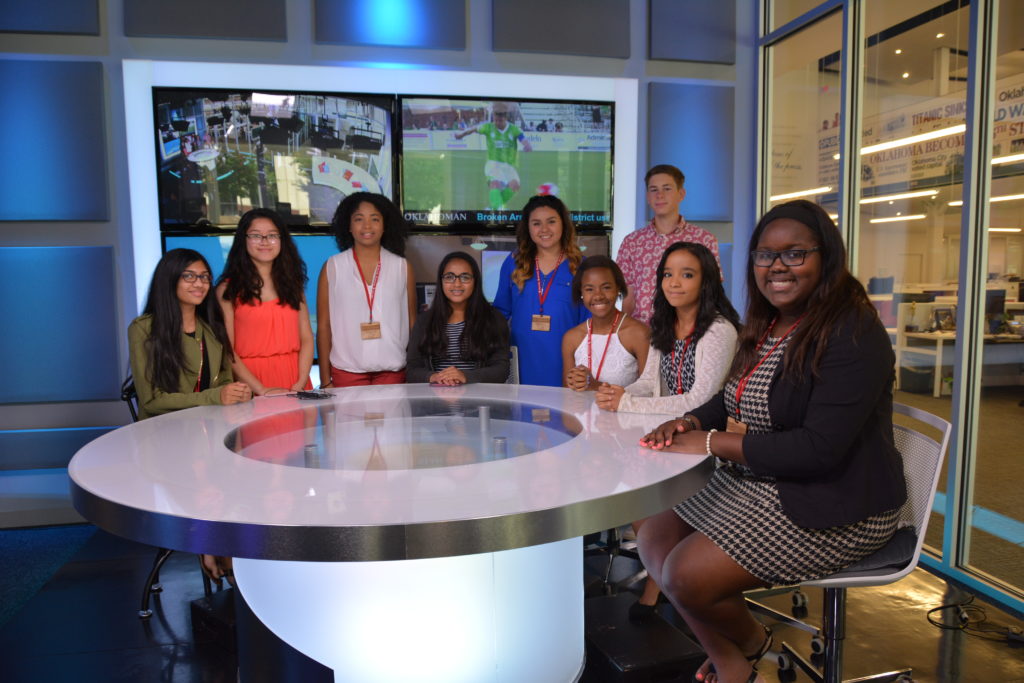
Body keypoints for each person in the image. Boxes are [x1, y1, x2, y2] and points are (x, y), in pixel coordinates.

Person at [636, 200, 906, 683]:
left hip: (833, 498)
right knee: (654, 535)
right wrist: (689, 419)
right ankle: (739, 656)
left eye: (794, 254)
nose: (777, 267)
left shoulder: (852, 332)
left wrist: (711, 441)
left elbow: (818, 450)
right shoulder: (767, 323)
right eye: (764, 255)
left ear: (826, 258)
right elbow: (732, 395)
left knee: (685, 575)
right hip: (764, 477)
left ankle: (741, 652)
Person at [593, 242, 739, 622]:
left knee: (641, 484)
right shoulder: (665, 322)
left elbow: (701, 401)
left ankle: (660, 584)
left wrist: (628, 405)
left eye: (686, 274)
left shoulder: (718, 330)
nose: (674, 283)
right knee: (628, 476)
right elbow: (651, 384)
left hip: (707, 441)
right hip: (669, 433)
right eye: (667, 274)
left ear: (705, 281)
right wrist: (620, 393)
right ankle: (662, 577)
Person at [128, 248, 252, 583]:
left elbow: (223, 382)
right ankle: (212, 547)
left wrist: (237, 392)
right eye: (190, 276)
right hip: (167, 442)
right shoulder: (144, 329)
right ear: (170, 279)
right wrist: (216, 396)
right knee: (219, 482)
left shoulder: (209, 328)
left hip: (208, 435)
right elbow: (151, 401)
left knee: (251, 474)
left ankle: (226, 555)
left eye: (204, 277)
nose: (200, 284)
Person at [317, 192, 416, 387]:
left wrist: (414, 372)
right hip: (347, 372)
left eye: (375, 219)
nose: (367, 226)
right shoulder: (333, 267)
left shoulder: (402, 267)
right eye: (359, 219)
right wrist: (324, 380)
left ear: (384, 225)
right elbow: (323, 326)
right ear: (349, 225)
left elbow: (412, 322)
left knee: (394, 418)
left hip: (393, 372)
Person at [216, 208, 313, 395]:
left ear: (282, 240)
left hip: (295, 380)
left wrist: (301, 381)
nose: (265, 242)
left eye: (272, 235)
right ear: (243, 240)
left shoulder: (293, 284)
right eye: (256, 236)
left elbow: (307, 339)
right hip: (251, 383)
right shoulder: (227, 290)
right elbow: (227, 351)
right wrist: (262, 390)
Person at [494, 195, 587, 387]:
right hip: (522, 360)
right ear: (528, 228)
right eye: (536, 223)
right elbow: (499, 314)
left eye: (551, 222)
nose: (544, 229)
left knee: (564, 414)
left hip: (567, 362)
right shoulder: (514, 262)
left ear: (563, 224)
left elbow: (589, 324)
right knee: (523, 414)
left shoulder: (581, 266)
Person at [617, 164, 721, 325]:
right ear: (647, 196)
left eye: (667, 189)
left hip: (687, 332)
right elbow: (628, 295)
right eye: (653, 190)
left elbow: (712, 291)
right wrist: (624, 335)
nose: (659, 195)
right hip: (643, 333)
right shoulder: (632, 242)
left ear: (681, 194)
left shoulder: (703, 239)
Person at [406, 252, 511, 384]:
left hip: (480, 400)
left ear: (475, 281)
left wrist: (466, 376)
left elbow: (501, 370)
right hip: (436, 397)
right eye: (449, 277)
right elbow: (412, 370)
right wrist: (434, 377)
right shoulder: (425, 321)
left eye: (465, 277)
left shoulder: (494, 319)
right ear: (441, 281)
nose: (457, 284)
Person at [562, 255, 649, 391]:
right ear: (581, 292)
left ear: (618, 288)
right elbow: (567, 395)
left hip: (625, 413)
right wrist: (574, 382)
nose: (598, 296)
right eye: (589, 289)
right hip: (579, 412)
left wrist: (595, 386)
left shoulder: (639, 334)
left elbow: (650, 392)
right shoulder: (571, 338)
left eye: (606, 287)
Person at [453, 101, 532, 210]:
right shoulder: (488, 128)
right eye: (495, 119)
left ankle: (494, 207)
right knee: (495, 184)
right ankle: (498, 209)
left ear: (505, 118)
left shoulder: (514, 129)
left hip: (509, 166)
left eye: (500, 120)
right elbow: (474, 129)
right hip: (493, 164)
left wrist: (527, 146)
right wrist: (461, 134)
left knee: (515, 186)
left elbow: (523, 139)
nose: (497, 122)